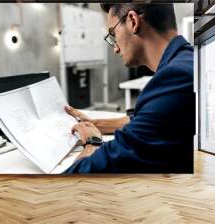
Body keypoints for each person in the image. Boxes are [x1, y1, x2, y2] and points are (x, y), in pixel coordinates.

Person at [64, 3, 195, 173]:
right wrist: (94, 123)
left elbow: (86, 171)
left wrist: (92, 142)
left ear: (133, 21)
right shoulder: (186, 61)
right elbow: (144, 118)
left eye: (113, 34)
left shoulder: (176, 78)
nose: (115, 48)